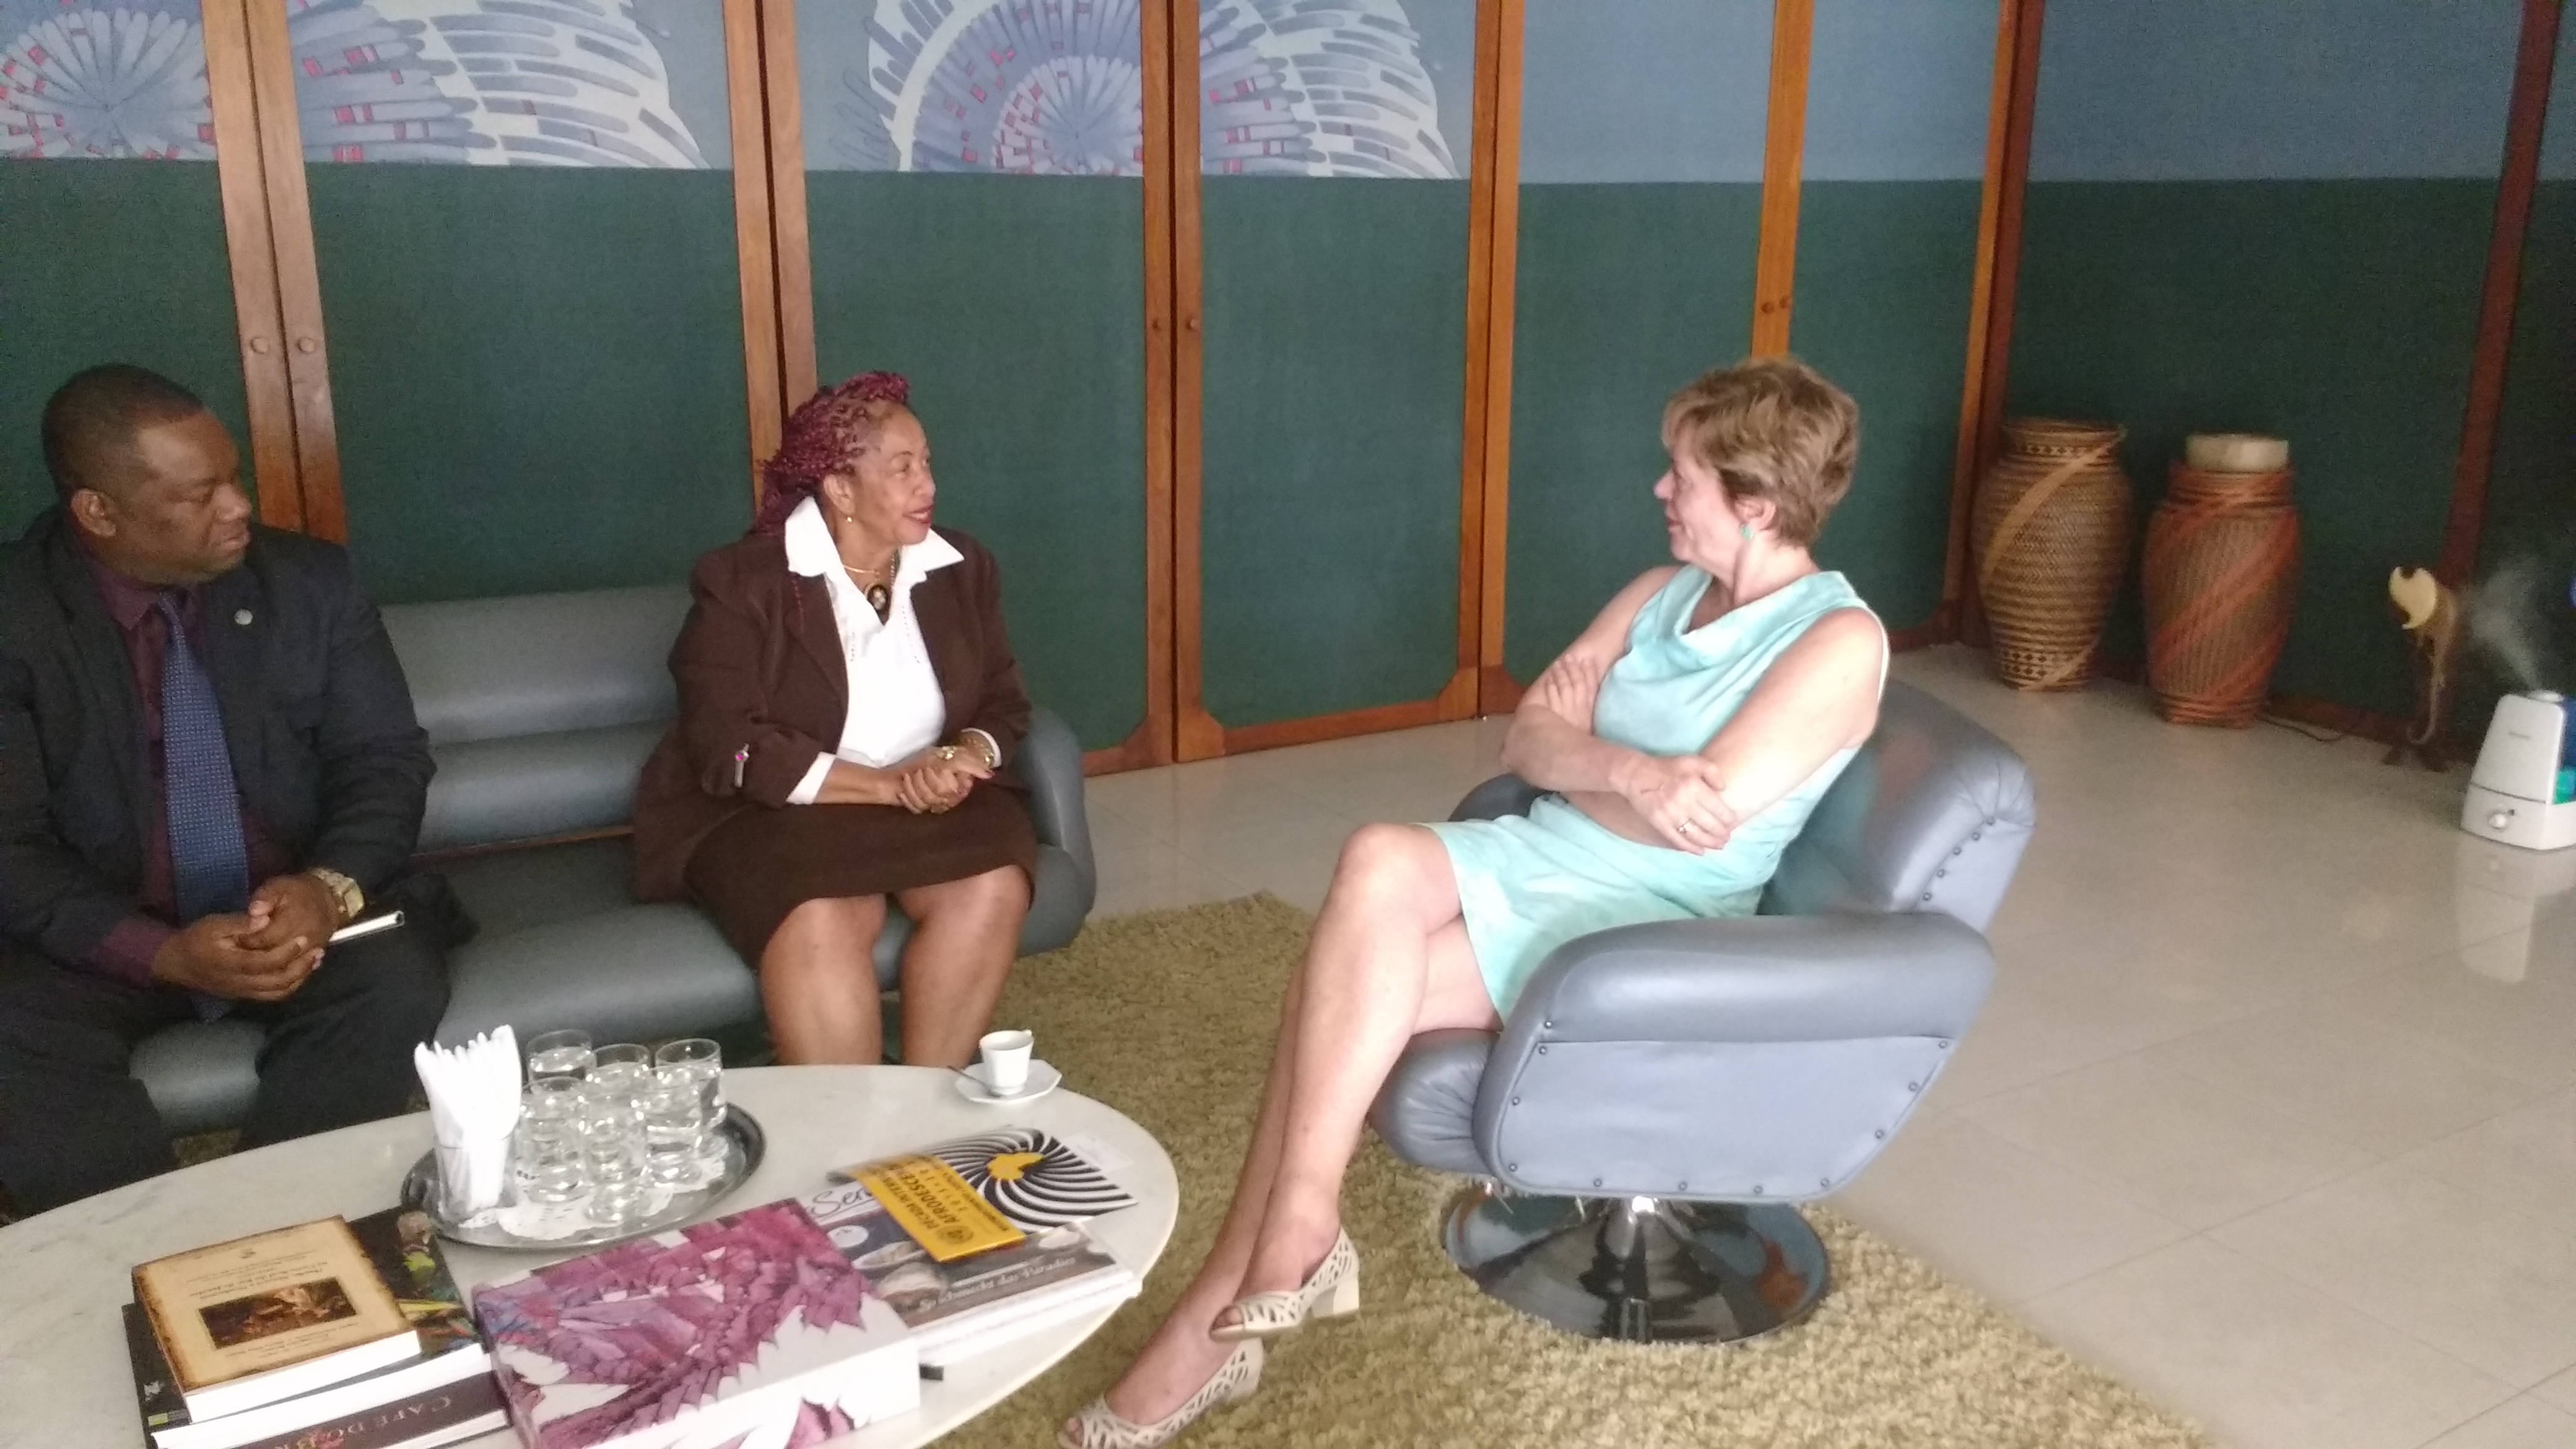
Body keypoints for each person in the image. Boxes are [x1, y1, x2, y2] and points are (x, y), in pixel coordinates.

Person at [1061, 358, 1889, 1448]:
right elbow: (1527, 742)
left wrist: (1599, 765)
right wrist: (1628, 771)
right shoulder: (1659, 593)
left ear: (1758, 504)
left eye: (1681, 474)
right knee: (1375, 863)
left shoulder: (1840, 641)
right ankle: (1297, 1230)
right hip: (1551, 850)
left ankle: (1225, 1316)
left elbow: (1698, 823)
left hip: (1648, 921)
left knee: (1335, 995)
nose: (1659, 490)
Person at [0, 365, 453, 1215]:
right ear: (98, 511)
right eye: (198, 495)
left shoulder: (310, 584)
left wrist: (326, 889)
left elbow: (384, 760)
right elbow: (9, 849)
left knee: (393, 980)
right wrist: (157, 951)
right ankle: (135, 1258)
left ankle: (292, 1235)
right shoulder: (17, 616)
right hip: (94, 938)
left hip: (292, 924)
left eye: (233, 477)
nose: (239, 506)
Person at [632, 372, 1035, 1069]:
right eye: (902, 468)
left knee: (991, 881)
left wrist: (963, 756)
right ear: (840, 490)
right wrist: (888, 786)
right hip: (774, 814)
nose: (928, 484)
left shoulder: (961, 566)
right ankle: (851, 1123)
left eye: (927, 462)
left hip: (927, 805)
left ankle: (927, 1099)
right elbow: (729, 744)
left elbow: (1005, 701)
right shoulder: (743, 582)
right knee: (824, 913)